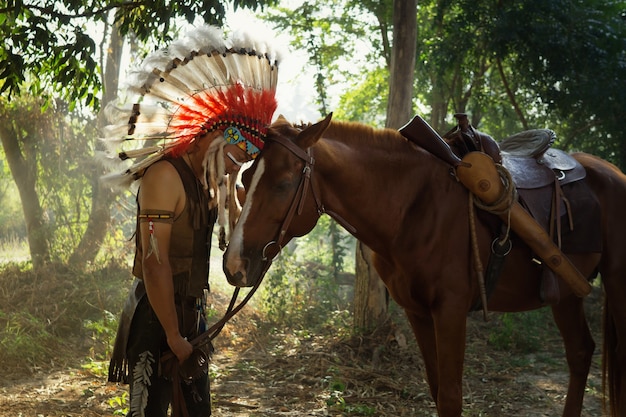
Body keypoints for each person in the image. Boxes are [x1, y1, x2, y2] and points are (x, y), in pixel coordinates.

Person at [102, 25, 280, 417]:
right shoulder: (164, 176)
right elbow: (154, 261)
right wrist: (172, 336)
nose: (236, 165)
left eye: (242, 161)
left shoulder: (209, 183)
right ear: (215, 135)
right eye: (235, 155)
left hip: (191, 318)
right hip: (156, 319)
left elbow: (233, 242)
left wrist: (234, 186)